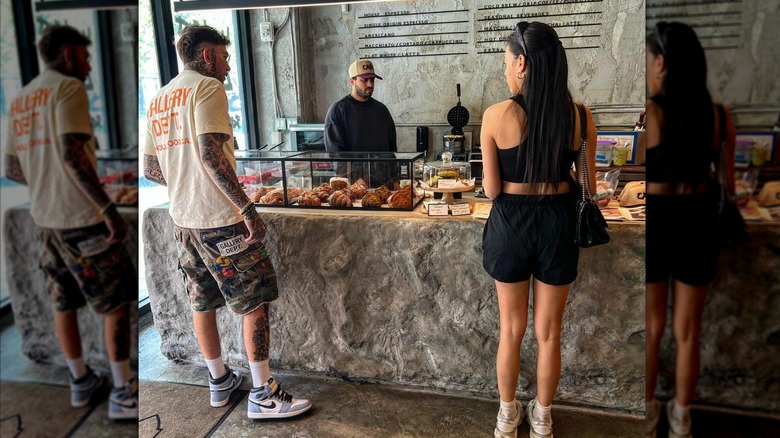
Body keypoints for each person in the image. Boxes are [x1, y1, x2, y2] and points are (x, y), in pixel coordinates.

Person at [142, 24, 311, 419]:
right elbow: (210, 155)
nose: (229, 66)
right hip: (220, 220)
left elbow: (151, 168)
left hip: (184, 222)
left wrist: (185, 182)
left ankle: (219, 381)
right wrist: (247, 210)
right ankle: (263, 394)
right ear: (206, 56)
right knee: (254, 302)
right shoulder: (207, 88)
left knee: (201, 301)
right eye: (224, 56)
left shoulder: (160, 98)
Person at [3, 25, 137, 419]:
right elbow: (71, 154)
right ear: (67, 54)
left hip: (44, 222)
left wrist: (46, 182)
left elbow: (12, 168)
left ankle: (80, 382)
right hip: (82, 220)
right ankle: (123, 393)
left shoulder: (22, 98)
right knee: (114, 304)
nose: (89, 64)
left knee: (63, 301)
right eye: (85, 55)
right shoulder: (68, 88)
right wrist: (108, 210)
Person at [480, 21, 598, 438]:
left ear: (522, 64)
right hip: (558, 224)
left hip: (511, 225)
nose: (505, 70)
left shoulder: (496, 115)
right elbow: (589, 187)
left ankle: (506, 416)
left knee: (511, 330)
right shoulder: (580, 116)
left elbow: (492, 190)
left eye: (506, 62)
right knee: (549, 334)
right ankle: (543, 418)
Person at [645, 22, 736, 438]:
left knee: (652, 328)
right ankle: (682, 417)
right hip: (699, 220)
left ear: (662, 63)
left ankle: (648, 412)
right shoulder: (719, 116)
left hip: (660, 221)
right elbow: (729, 185)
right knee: (688, 330)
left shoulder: (654, 113)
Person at [324, 59, 397, 187]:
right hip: (354, 187)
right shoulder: (338, 111)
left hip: (383, 186)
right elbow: (335, 155)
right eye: (364, 80)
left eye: (372, 80)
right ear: (352, 81)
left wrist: (395, 179)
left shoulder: (382, 110)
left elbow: (391, 151)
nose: (370, 84)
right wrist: (354, 182)